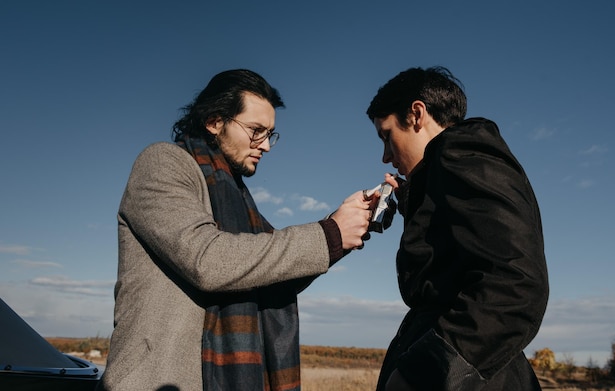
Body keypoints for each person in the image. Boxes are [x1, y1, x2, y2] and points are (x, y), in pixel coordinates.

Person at [98, 69, 373, 391]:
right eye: (256, 130)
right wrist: (329, 234)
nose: (266, 145)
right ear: (215, 121)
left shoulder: (238, 198)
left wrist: (343, 232)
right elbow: (209, 260)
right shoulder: (163, 162)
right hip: (159, 379)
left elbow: (269, 272)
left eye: (271, 134)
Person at [366, 67, 549, 390]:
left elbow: (515, 285)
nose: (385, 156)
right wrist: (414, 198)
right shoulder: (448, 169)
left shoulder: (464, 157)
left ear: (417, 114)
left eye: (387, 135)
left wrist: (422, 374)